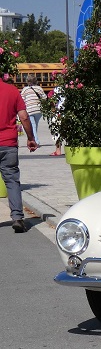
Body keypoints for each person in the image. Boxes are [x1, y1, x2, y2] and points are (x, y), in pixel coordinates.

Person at [1, 73, 40, 232]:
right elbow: (23, 116)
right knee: (12, 181)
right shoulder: (12, 91)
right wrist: (31, 138)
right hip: (8, 144)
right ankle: (17, 218)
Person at [20, 75, 45, 141]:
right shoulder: (39, 88)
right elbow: (44, 98)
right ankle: (35, 139)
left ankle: (36, 141)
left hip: (29, 110)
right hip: (38, 110)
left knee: (32, 126)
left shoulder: (25, 89)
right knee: (34, 125)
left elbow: (22, 100)